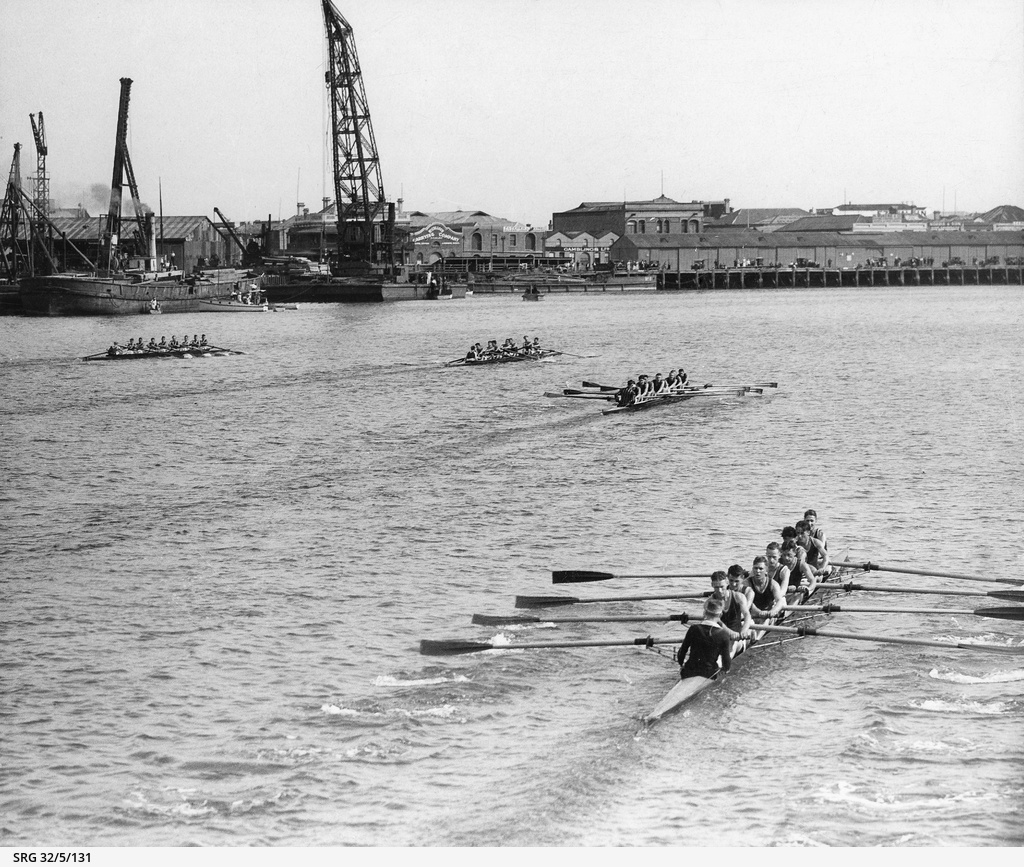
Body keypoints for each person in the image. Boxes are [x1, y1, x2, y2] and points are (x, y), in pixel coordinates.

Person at [676, 597, 733, 679]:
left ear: (704, 613)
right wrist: (724, 670)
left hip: (689, 672)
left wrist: (682, 665)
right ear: (720, 615)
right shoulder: (724, 635)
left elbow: (681, 653)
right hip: (709, 674)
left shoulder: (693, 628)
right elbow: (727, 662)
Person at [710, 570, 752, 639]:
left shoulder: (739, 597)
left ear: (727, 582)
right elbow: (716, 620)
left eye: (722, 587)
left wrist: (744, 630)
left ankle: (751, 634)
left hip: (737, 636)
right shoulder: (711, 601)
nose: (720, 591)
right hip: (720, 635)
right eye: (716, 587)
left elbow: (747, 615)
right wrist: (730, 633)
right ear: (712, 585)